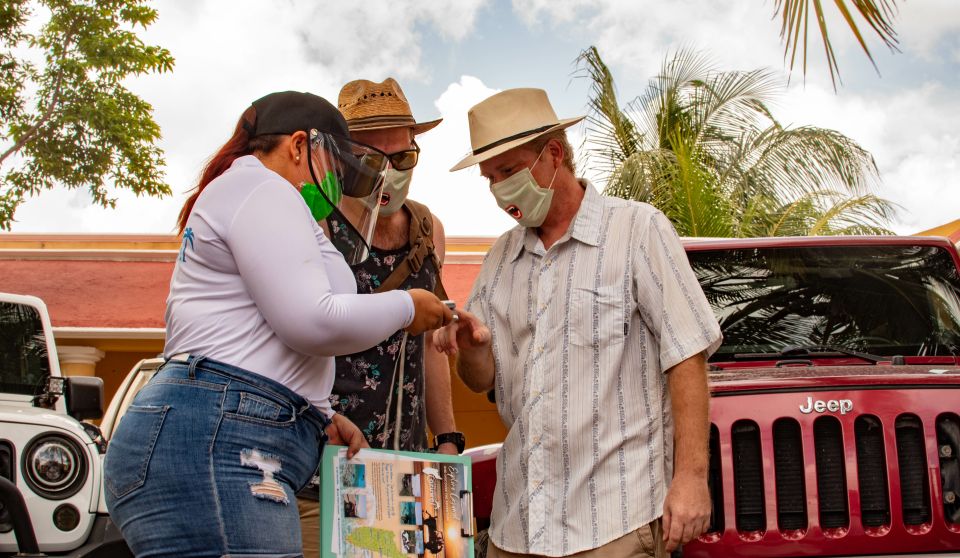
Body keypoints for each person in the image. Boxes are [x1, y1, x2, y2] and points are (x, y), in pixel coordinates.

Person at [103, 90, 453, 558]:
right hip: (221, 439)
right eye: (336, 162)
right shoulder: (262, 188)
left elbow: (253, 334)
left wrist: (320, 415)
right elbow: (313, 320)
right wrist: (408, 308)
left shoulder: (259, 196)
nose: (338, 179)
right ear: (298, 146)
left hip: (222, 434)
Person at [434, 88, 722, 558]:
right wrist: (473, 348)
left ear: (554, 154)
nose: (499, 188)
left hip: (616, 521)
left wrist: (690, 478)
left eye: (508, 171)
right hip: (519, 525)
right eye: (490, 178)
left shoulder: (636, 230)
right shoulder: (500, 261)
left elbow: (686, 353)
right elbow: (481, 379)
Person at [297, 77, 463, 556]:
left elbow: (431, 344)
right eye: (372, 159)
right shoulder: (316, 222)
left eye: (403, 158)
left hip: (406, 477)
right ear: (341, 157)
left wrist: (447, 437)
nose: (390, 172)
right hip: (322, 471)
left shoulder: (428, 229)